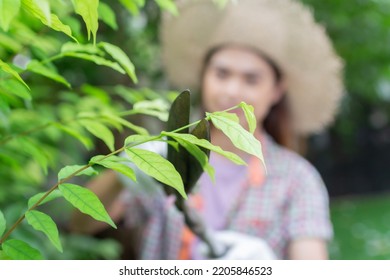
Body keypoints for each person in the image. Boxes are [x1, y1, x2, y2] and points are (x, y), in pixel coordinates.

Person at [70, 0, 343, 260]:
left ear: (276, 91)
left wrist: (267, 266)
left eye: (251, 79)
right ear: (204, 76)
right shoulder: (168, 155)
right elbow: (81, 223)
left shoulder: (296, 180)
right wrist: (124, 169)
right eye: (222, 74)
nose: (232, 91)